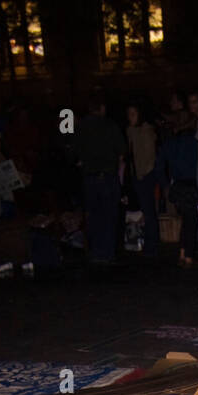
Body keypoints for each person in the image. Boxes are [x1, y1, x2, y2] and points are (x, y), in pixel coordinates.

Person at [70, 91, 126, 265]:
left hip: (90, 177)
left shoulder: (81, 127)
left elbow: (74, 154)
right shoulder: (111, 126)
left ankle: (96, 252)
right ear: (102, 108)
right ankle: (107, 253)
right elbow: (122, 153)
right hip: (108, 176)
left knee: (93, 216)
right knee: (109, 216)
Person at [158, 116, 198, 266]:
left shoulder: (169, 144)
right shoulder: (194, 144)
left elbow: (159, 166)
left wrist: (166, 185)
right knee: (191, 221)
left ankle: (183, 252)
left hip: (177, 186)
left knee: (185, 220)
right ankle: (187, 255)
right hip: (190, 186)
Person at [126, 103, 159, 258]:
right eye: (129, 114)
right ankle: (146, 242)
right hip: (137, 175)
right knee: (144, 210)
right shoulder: (132, 131)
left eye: (133, 113)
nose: (130, 117)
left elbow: (149, 157)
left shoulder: (146, 131)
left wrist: (143, 174)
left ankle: (152, 246)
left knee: (148, 210)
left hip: (145, 176)